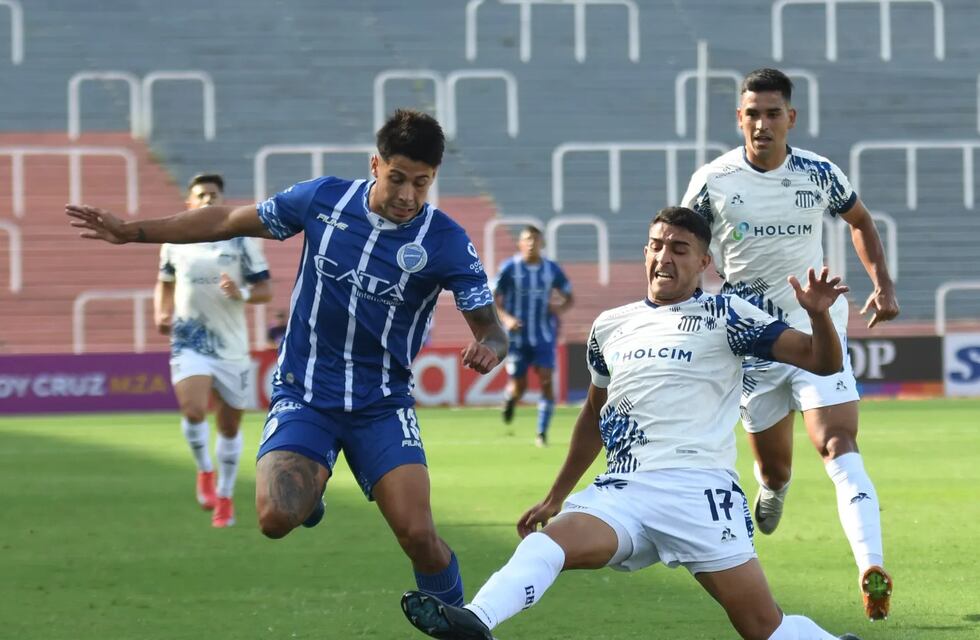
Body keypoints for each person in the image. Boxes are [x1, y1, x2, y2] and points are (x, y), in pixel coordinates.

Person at [68, 109, 508, 609]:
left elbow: (491, 328)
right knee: (276, 519)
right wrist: (134, 232)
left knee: (417, 535)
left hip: (382, 403)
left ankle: (457, 621)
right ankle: (311, 493)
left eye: (422, 184)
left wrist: (490, 348)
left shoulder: (446, 240)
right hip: (306, 394)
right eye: (397, 178)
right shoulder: (323, 200)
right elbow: (226, 220)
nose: (408, 195)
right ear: (375, 165)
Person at [401, 207, 863, 640]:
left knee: (762, 627)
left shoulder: (728, 316)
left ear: (704, 261)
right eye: (657, 245)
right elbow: (593, 416)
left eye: (679, 249)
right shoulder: (610, 326)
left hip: (698, 492)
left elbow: (820, 360)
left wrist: (819, 316)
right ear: (645, 252)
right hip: (623, 493)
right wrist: (556, 497)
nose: (665, 256)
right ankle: (475, 621)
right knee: (546, 546)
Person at [681, 68, 898, 621]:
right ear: (739, 118)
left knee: (838, 443)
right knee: (775, 470)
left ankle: (870, 566)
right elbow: (684, 243)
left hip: (817, 327)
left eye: (772, 113)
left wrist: (882, 285)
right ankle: (773, 489)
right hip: (754, 342)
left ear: (790, 118)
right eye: (752, 113)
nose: (762, 124)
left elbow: (860, 219)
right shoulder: (713, 180)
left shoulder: (818, 173)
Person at [154, 173, 273, 528]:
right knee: (192, 409)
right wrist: (161, 311)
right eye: (201, 195)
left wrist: (243, 293)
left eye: (214, 194)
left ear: (221, 201)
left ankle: (225, 496)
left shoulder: (241, 241)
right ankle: (205, 470)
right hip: (190, 340)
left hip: (231, 346)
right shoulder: (174, 239)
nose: (208, 199)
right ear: (190, 203)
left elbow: (265, 290)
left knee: (230, 426)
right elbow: (164, 283)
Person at [493, 225, 573, 446]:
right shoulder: (509, 268)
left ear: (542, 244)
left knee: (547, 381)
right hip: (517, 338)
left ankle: (541, 433)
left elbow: (569, 295)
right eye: (527, 239)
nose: (531, 244)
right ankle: (510, 399)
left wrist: (559, 308)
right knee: (520, 387)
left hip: (544, 336)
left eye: (535, 240)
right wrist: (506, 318)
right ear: (519, 243)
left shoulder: (551, 269)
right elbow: (491, 297)